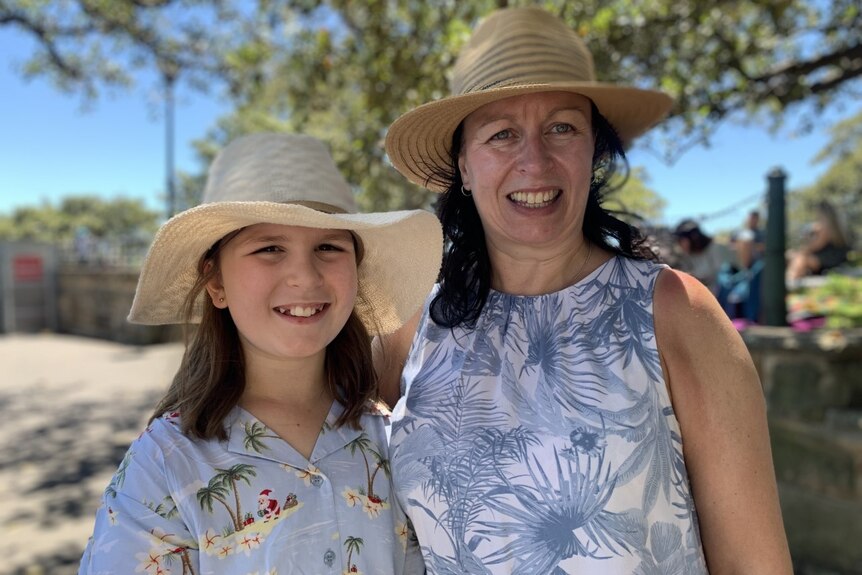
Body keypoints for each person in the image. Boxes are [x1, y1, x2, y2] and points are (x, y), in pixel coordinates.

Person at [378, 7, 791, 574]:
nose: (535, 161)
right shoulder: (415, 325)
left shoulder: (673, 312)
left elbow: (755, 564)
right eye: (501, 135)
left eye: (562, 127)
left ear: (593, 149)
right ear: (464, 168)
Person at [78, 133, 440, 574]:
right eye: (269, 248)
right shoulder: (166, 465)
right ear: (216, 282)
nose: (304, 276)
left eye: (328, 247)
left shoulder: (392, 440)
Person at [787, 200, 851, 280]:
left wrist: (799, 250)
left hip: (828, 261)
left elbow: (812, 248)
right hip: (837, 260)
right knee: (796, 256)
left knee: (799, 258)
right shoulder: (837, 227)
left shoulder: (825, 228)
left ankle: (789, 283)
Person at [671, 219, 734, 294]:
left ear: (693, 237)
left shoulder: (715, 248)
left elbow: (721, 276)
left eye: (681, 240)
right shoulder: (687, 257)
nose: (680, 244)